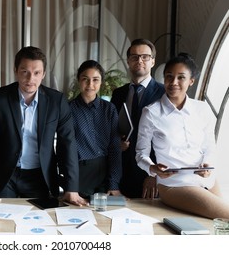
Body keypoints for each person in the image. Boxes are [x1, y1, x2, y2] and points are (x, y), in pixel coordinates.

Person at [0, 46, 87, 207]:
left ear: (43, 74)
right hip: (6, 176)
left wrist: (71, 187)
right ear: (16, 71)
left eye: (37, 73)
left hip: (40, 176)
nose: (30, 78)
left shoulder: (57, 101)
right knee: (2, 222)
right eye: (25, 71)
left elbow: (67, 143)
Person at [135, 53, 229, 219]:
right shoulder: (151, 113)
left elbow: (209, 147)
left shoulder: (202, 109)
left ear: (191, 81)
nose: (173, 83)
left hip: (206, 179)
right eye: (169, 77)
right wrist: (152, 169)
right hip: (174, 184)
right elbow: (141, 154)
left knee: (222, 226)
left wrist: (208, 165)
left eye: (181, 77)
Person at [111, 38, 165, 198]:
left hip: (149, 173)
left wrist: (153, 174)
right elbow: (113, 128)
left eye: (145, 56)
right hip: (121, 170)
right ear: (128, 61)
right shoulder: (118, 93)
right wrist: (116, 142)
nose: (139, 60)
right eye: (134, 57)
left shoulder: (163, 94)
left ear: (153, 61)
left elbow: (167, 139)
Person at [69, 60, 122, 198]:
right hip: (80, 175)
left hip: (105, 174)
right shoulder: (68, 109)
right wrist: (71, 186)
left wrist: (114, 183)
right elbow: (64, 149)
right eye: (85, 79)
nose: (90, 85)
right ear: (78, 80)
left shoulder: (109, 109)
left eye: (95, 80)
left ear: (101, 82)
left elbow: (115, 148)